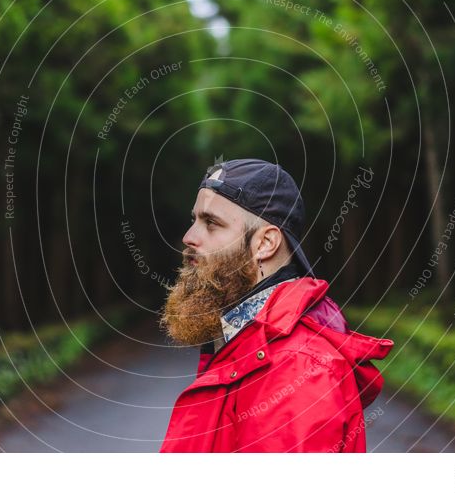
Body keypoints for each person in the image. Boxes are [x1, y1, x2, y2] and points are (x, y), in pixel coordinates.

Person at [158, 158, 394, 452]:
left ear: (265, 244)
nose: (189, 237)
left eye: (211, 223)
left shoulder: (299, 372)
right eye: (193, 220)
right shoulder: (240, 340)